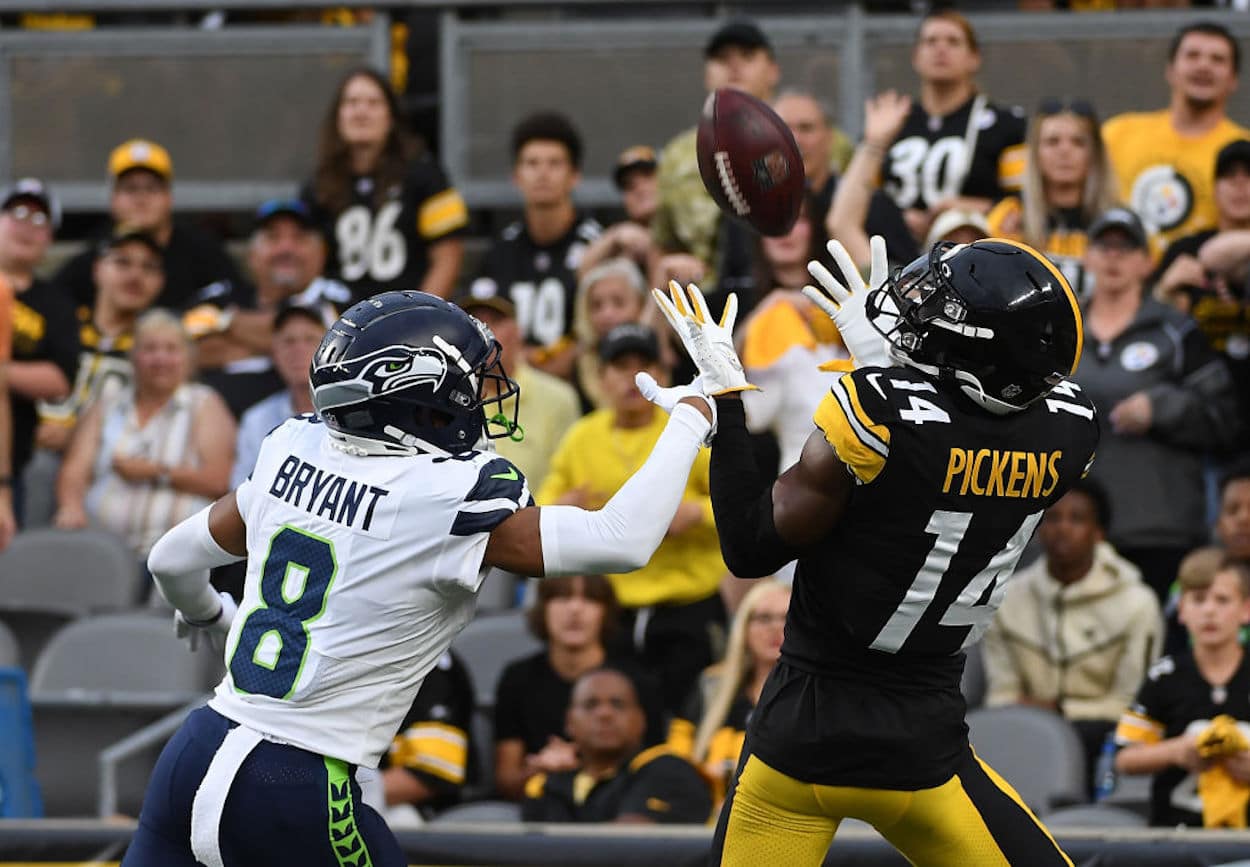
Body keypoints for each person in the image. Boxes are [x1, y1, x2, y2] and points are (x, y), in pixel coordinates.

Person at [121, 289, 719, 865]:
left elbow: (169, 560)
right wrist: (694, 413)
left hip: (195, 750)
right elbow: (623, 539)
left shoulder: (291, 446)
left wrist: (209, 615)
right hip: (301, 781)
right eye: (466, 384)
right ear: (421, 399)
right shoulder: (448, 498)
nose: (480, 397)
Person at [653, 231, 1098, 863]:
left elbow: (751, 549)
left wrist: (727, 403)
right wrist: (896, 371)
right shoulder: (1071, 431)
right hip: (925, 750)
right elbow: (963, 444)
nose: (917, 319)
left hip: (798, 744)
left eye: (942, 316)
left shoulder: (874, 412)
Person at [538, 323, 726, 714]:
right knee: (621, 709)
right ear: (601, 376)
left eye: (646, 365)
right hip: (613, 610)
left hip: (687, 605)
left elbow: (739, 502)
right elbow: (541, 503)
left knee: (689, 712)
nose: (633, 377)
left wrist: (697, 513)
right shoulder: (582, 436)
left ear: (665, 373)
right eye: (620, 366)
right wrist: (563, 506)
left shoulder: (688, 427)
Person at [1075, 207, 1240, 602]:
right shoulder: (1063, 329)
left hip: (1159, 531)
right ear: (1088, 256)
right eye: (1104, 246)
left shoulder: (1176, 331)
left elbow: (1227, 418)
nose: (1114, 257)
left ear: (1147, 262)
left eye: (1126, 247)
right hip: (1072, 535)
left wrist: (1163, 407)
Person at [981, 479, 1162, 789]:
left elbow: (1131, 703)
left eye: (1077, 519)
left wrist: (1061, 711)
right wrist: (1040, 716)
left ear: (1099, 533)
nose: (1062, 528)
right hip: (1024, 730)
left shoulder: (1137, 602)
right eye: (1052, 518)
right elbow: (1000, 696)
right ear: (1038, 528)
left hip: (1104, 733)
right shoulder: (1006, 598)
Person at [53, 310, 235, 568]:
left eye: (171, 349)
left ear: (188, 358)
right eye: (149, 349)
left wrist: (157, 472)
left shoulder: (204, 403)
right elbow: (74, 470)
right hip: (102, 550)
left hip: (175, 556)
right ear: (134, 357)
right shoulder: (108, 404)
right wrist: (70, 507)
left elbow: (219, 481)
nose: (160, 358)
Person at [493, 573, 664, 801]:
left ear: (606, 613)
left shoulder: (636, 681)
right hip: (539, 803)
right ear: (542, 609)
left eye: (590, 599)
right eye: (562, 598)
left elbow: (656, 773)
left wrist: (587, 766)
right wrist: (540, 770)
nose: (575, 609)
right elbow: (506, 781)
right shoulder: (517, 678)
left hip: (620, 806)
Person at [303, 67, 468, 302]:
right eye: (351, 102)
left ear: (391, 118)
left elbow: (448, 256)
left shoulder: (426, 175)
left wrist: (419, 314)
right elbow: (307, 263)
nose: (361, 112)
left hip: (405, 317)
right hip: (340, 321)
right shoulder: (318, 184)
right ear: (338, 116)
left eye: (373, 103)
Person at [1115, 558, 1250, 828]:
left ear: (1246, 610)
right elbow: (1124, 759)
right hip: (1176, 836)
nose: (1210, 611)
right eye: (1199, 600)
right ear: (1181, 609)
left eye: (1222, 600)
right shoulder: (1164, 676)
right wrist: (1178, 751)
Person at [185, 199, 349, 418]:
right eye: (273, 238)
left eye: (299, 238)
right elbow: (190, 352)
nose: (286, 248)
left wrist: (229, 324)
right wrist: (287, 344)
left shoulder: (339, 298)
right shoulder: (218, 295)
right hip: (214, 426)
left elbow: (336, 352)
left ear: (321, 254)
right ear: (251, 254)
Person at [469, 111, 601, 380]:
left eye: (554, 163)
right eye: (532, 163)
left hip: (580, 388)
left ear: (574, 176)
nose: (543, 173)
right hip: (510, 385)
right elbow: (477, 327)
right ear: (515, 176)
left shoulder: (597, 245)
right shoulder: (501, 251)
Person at [651, 18, 779, 291]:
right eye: (721, 58)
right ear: (707, 75)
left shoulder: (807, 134)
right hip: (703, 302)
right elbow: (662, 244)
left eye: (747, 56)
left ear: (773, 70)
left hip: (791, 298)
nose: (733, 66)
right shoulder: (679, 155)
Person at [878, 10, 1026, 245]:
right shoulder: (892, 122)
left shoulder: (1005, 126)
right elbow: (865, 198)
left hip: (972, 253)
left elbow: (1024, 200)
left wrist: (968, 207)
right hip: (895, 253)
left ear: (974, 58)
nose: (940, 49)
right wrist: (897, 218)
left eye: (953, 41)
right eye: (931, 41)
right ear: (915, 57)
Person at [1102, 21, 1250, 252]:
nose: (1204, 66)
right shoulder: (1118, 133)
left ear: (1234, 79)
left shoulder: (1244, 150)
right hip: (1117, 279)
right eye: (1192, 55)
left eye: (1217, 59)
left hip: (1203, 282)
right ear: (1170, 70)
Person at [53, 138, 241, 310]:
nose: (141, 199)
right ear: (113, 199)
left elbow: (240, 305)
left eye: (152, 188)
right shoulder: (96, 254)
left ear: (169, 197)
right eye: (130, 188)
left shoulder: (203, 253)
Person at [520, 667, 712, 824]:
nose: (605, 714)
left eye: (618, 704)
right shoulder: (544, 786)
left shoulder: (667, 768)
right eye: (590, 705)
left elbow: (628, 847)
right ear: (569, 722)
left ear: (641, 720)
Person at [37, 226, 166, 456]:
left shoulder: (161, 349)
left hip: (111, 467)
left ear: (161, 281)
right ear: (97, 269)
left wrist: (76, 436)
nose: (135, 276)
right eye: (122, 262)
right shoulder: (55, 324)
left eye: (149, 267)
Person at [668, 579, 790, 810]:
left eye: (787, 618)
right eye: (764, 618)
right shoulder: (712, 685)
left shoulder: (816, 692)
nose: (776, 628)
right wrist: (707, 775)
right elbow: (677, 757)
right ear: (744, 627)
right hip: (709, 811)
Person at [1151, 139, 1250, 420]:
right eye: (1229, 176)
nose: (1240, 185)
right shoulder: (1185, 250)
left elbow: (1214, 254)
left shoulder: (1204, 253)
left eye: (1248, 175)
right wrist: (1163, 290)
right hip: (1198, 408)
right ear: (1215, 190)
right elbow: (1147, 322)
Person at [986, 98, 1121, 299]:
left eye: (1078, 142)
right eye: (1052, 141)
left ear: (1095, 153)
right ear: (1035, 152)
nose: (1064, 151)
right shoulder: (1009, 216)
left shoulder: (1120, 223)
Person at [0, 179, 78, 521]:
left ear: (50, 238)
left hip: (12, 460)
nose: (28, 227)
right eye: (17, 213)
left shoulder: (56, 303)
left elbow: (59, 380)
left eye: (40, 220)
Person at [456, 295, 580, 491]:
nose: (483, 331)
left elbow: (568, 481)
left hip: (537, 517)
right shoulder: (447, 399)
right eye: (473, 322)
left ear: (517, 331)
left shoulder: (559, 399)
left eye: (495, 322)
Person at [230, 302, 325, 489]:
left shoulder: (354, 412)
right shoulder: (256, 419)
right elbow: (240, 492)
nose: (298, 350)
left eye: (310, 339)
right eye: (288, 342)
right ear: (275, 353)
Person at [379, 650, 476, 817]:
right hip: (341, 791)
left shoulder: (433, 664)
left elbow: (427, 775)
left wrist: (328, 795)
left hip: (407, 808)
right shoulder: (332, 652)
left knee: (402, 817)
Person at [571, 258, 648, 411]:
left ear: (641, 304)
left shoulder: (665, 354)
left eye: (618, 302)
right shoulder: (578, 364)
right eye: (596, 305)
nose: (607, 314)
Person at [576, 146, 659, 280]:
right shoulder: (619, 243)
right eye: (629, 185)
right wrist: (614, 237)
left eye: (647, 176)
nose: (640, 188)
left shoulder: (685, 228)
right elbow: (582, 276)